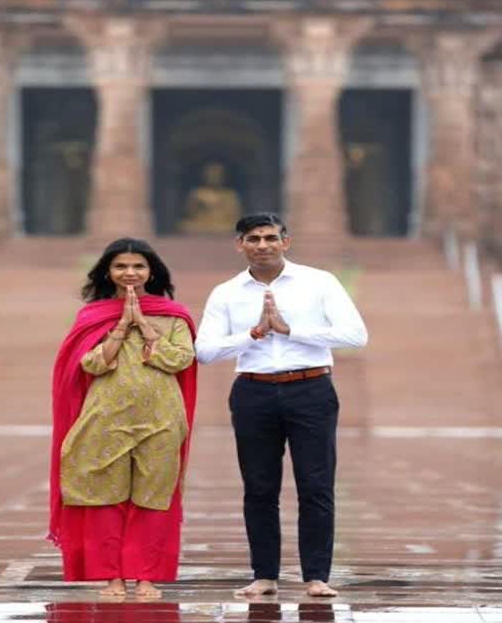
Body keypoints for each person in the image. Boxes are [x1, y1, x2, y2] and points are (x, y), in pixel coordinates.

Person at [195, 213, 367, 598]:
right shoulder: (226, 292)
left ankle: (316, 576)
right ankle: (264, 575)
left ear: (285, 242)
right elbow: (203, 351)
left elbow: (355, 335)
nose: (262, 245)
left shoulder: (319, 282)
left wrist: (292, 330)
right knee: (258, 487)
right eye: (253, 238)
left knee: (316, 484)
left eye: (270, 237)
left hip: (310, 387)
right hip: (253, 391)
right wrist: (253, 334)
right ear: (240, 245)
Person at [50, 238, 198, 599]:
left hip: (162, 417)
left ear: (152, 272)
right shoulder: (93, 315)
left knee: (154, 497)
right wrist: (120, 327)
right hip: (105, 417)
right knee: (104, 497)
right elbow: (91, 364)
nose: (130, 273)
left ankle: (146, 576)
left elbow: (182, 359)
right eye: (121, 266)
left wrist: (145, 326)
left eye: (138, 266)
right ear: (108, 272)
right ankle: (112, 576)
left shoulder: (173, 315)